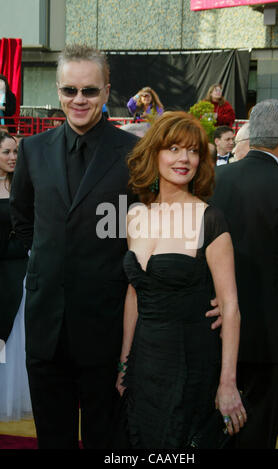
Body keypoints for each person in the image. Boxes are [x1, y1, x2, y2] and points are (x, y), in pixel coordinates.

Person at [9, 44, 139, 449]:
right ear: (58, 90)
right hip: (46, 323)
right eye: (69, 90)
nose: (78, 100)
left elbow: (142, 231)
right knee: (53, 438)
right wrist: (51, 265)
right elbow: (24, 220)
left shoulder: (133, 154)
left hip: (106, 326)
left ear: (106, 91)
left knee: (106, 439)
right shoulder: (33, 150)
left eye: (89, 90)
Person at [115, 111, 246, 449]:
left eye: (192, 151)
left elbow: (230, 307)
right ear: (154, 153)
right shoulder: (135, 216)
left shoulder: (210, 219)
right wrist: (125, 362)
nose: (184, 159)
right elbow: (135, 294)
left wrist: (227, 383)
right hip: (144, 363)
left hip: (191, 362)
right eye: (173, 148)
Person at [210, 99, 278, 449]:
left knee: (215, 432)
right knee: (258, 433)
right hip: (272, 337)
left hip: (215, 328)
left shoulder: (214, 180)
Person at [0, 131, 31, 421]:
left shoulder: (23, 185)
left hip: (21, 267)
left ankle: (15, 393)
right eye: (6, 152)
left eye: (15, 152)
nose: (12, 157)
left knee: (18, 331)